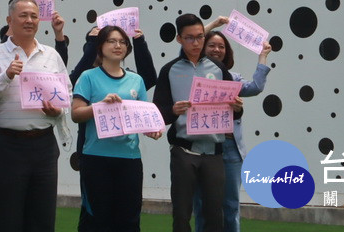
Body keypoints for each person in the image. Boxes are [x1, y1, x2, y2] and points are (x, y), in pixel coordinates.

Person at [0, 0, 69, 232]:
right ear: (10, 20)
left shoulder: (51, 55)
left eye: (34, 16)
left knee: (43, 216)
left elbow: (66, 95)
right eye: (23, 16)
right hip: (9, 145)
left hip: (44, 145)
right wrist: (6, 75)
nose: (29, 20)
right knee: (7, 216)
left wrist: (57, 110)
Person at [71, 26, 164, 231]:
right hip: (95, 158)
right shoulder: (88, 77)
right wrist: (100, 106)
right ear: (100, 46)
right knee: (96, 219)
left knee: (129, 219)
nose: (117, 45)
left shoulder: (136, 80)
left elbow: (142, 119)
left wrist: (153, 130)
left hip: (129, 159)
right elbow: (76, 113)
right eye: (111, 41)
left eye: (122, 42)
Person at [152, 14, 238, 232]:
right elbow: (158, 113)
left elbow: (234, 112)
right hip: (183, 151)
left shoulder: (218, 68)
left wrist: (238, 107)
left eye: (200, 37)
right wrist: (172, 110)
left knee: (214, 214)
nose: (196, 43)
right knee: (181, 214)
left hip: (214, 152)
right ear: (179, 39)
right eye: (189, 38)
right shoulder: (169, 70)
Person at [192, 25, 273, 232]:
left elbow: (255, 87)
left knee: (230, 205)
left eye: (221, 46)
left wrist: (262, 56)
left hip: (229, 147)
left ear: (227, 51)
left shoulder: (233, 78)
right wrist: (212, 25)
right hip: (201, 146)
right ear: (202, 47)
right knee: (202, 204)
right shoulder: (192, 73)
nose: (216, 50)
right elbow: (184, 51)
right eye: (211, 45)